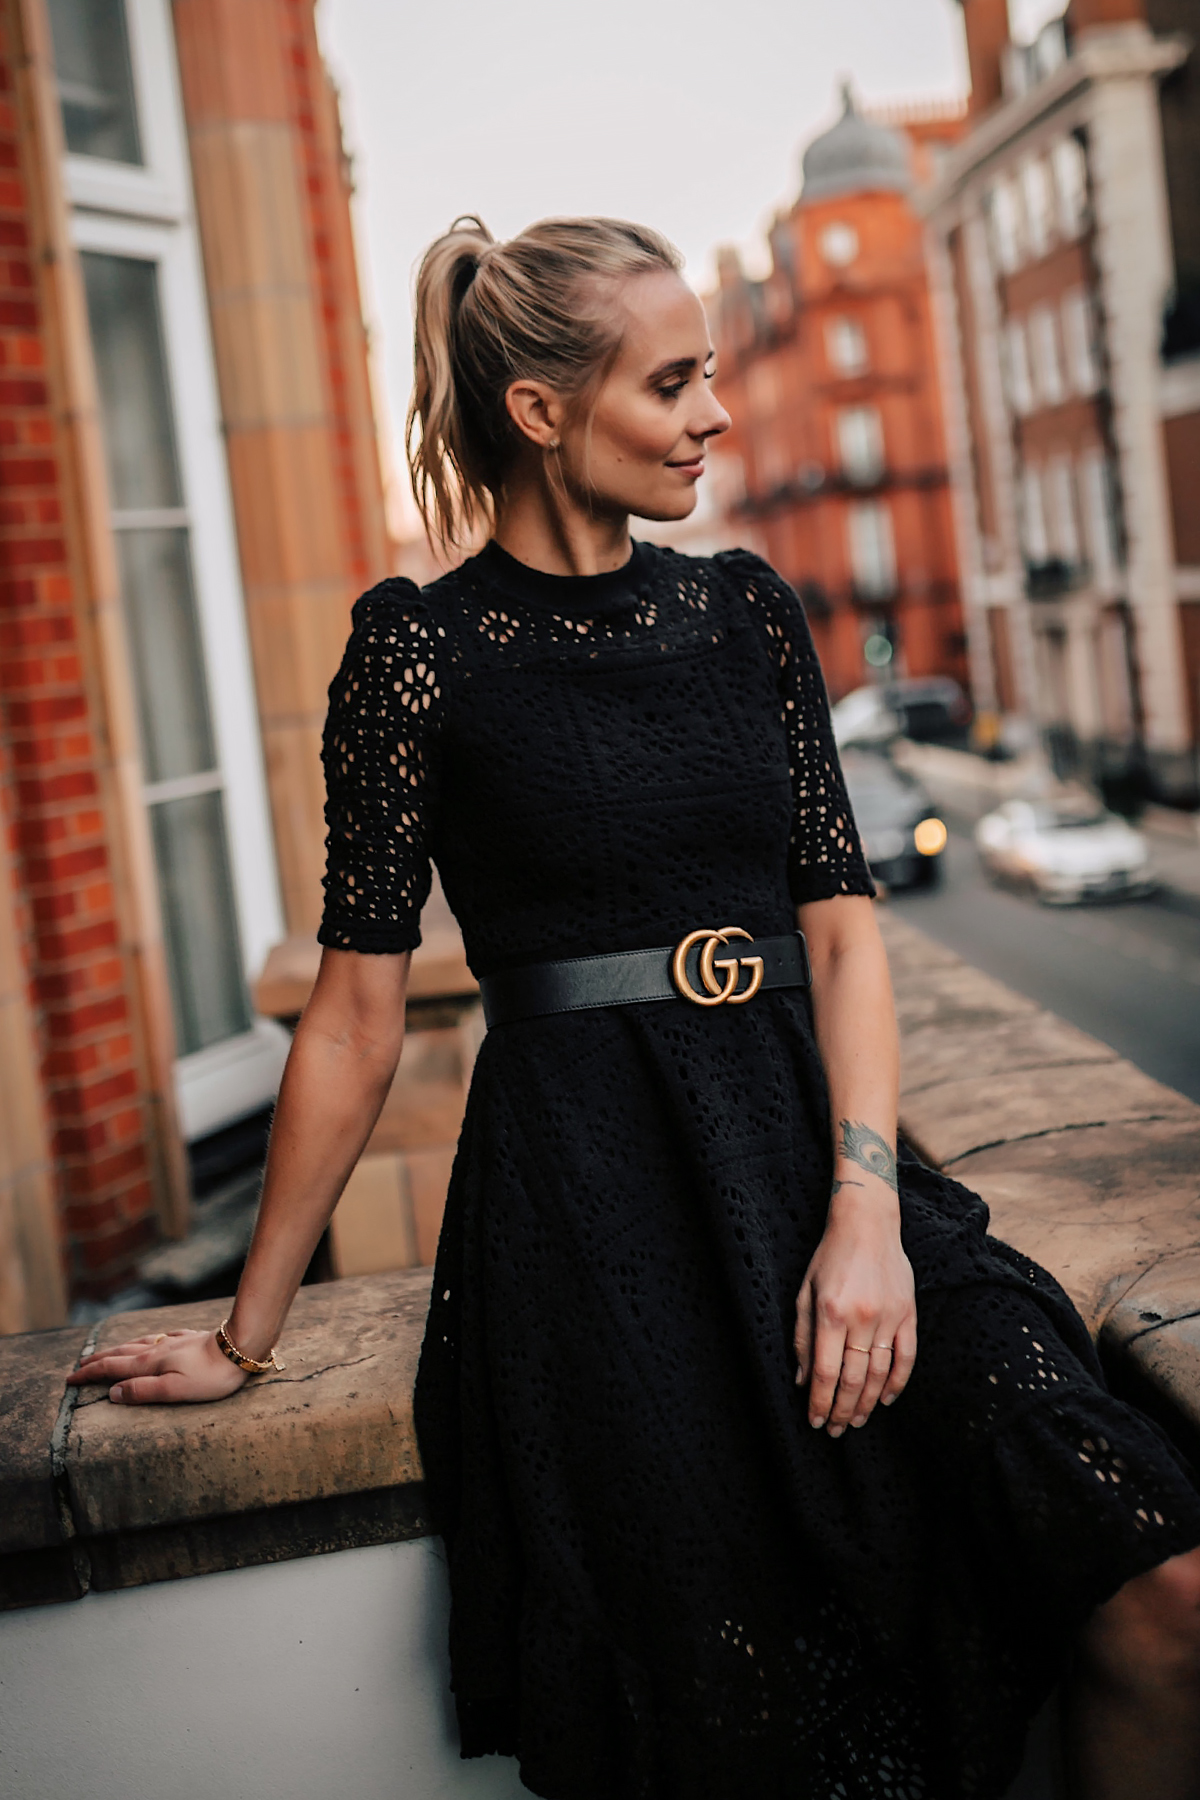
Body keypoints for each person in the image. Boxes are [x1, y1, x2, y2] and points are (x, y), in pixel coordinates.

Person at [70, 216, 1200, 1800]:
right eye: (672, 385)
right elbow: (350, 1016)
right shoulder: (417, 657)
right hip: (593, 1224)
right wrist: (250, 1337)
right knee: (752, 1725)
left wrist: (867, 1207)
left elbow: (847, 936)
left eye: (714, 378)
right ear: (541, 411)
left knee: (1164, 1594)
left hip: (823, 1167)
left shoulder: (746, 612)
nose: (715, 418)